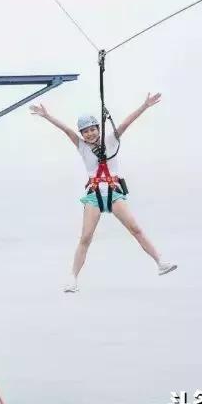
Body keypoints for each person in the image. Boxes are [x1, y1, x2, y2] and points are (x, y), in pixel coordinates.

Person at [30, 94, 177, 293]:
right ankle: (73, 278)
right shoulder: (82, 146)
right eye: (86, 131)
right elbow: (66, 130)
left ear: (98, 129)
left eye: (92, 129)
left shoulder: (110, 141)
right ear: (82, 134)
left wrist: (145, 106)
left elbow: (126, 123)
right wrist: (47, 116)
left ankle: (160, 262)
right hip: (94, 195)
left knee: (135, 228)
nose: (90, 134)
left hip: (114, 192)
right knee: (86, 237)